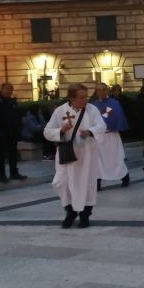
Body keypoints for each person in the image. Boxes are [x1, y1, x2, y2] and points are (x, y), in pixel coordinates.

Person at [44, 83, 106, 228]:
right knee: (60, 182)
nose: (86, 100)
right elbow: (47, 131)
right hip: (67, 154)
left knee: (86, 184)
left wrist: (90, 131)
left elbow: (102, 125)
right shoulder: (60, 111)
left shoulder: (92, 109)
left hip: (87, 155)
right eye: (81, 97)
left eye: (86, 96)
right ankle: (70, 211)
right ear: (71, 98)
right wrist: (61, 130)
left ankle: (85, 216)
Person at [92, 82, 130, 190]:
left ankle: (124, 177)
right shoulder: (92, 105)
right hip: (98, 137)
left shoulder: (114, 103)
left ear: (107, 90)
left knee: (116, 158)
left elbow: (117, 117)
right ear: (96, 91)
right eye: (99, 90)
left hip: (111, 136)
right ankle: (97, 182)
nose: (102, 92)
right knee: (98, 160)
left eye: (104, 89)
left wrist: (108, 124)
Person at [0, 82, 28, 183]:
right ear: (2, 89)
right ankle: (1, 175)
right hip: (2, 133)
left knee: (13, 153)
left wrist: (19, 125)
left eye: (11, 90)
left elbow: (17, 114)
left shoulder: (12, 102)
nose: (9, 92)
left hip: (13, 132)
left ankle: (14, 173)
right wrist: (0, 130)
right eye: (7, 89)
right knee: (1, 155)